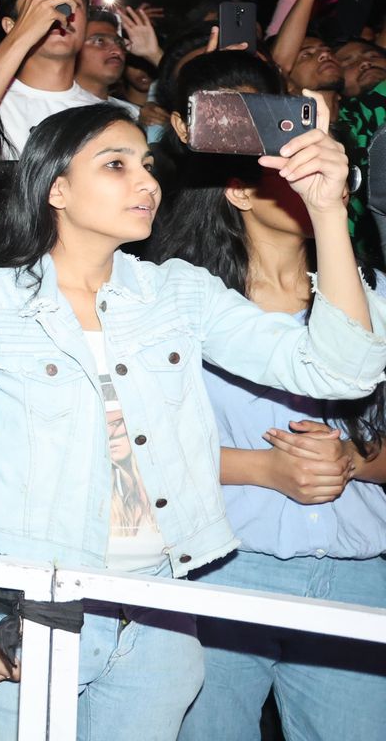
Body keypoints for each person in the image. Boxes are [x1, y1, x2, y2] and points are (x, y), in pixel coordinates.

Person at [0, 102, 386, 739]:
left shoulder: (177, 293)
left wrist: (327, 213)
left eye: (148, 166)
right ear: (57, 189)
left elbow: (340, 373)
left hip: (158, 612)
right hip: (32, 604)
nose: (146, 181)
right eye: (116, 165)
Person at [146, 56, 386, 740]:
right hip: (222, 566)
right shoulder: (181, 303)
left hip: (355, 571)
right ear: (240, 192)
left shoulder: (370, 298)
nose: (308, 185)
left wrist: (354, 462)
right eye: (289, 171)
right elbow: (140, 445)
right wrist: (264, 469)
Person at [0, 0, 96, 158]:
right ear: (11, 26)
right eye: (42, 3)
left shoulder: (106, 116)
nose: (59, 13)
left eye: (70, 0)